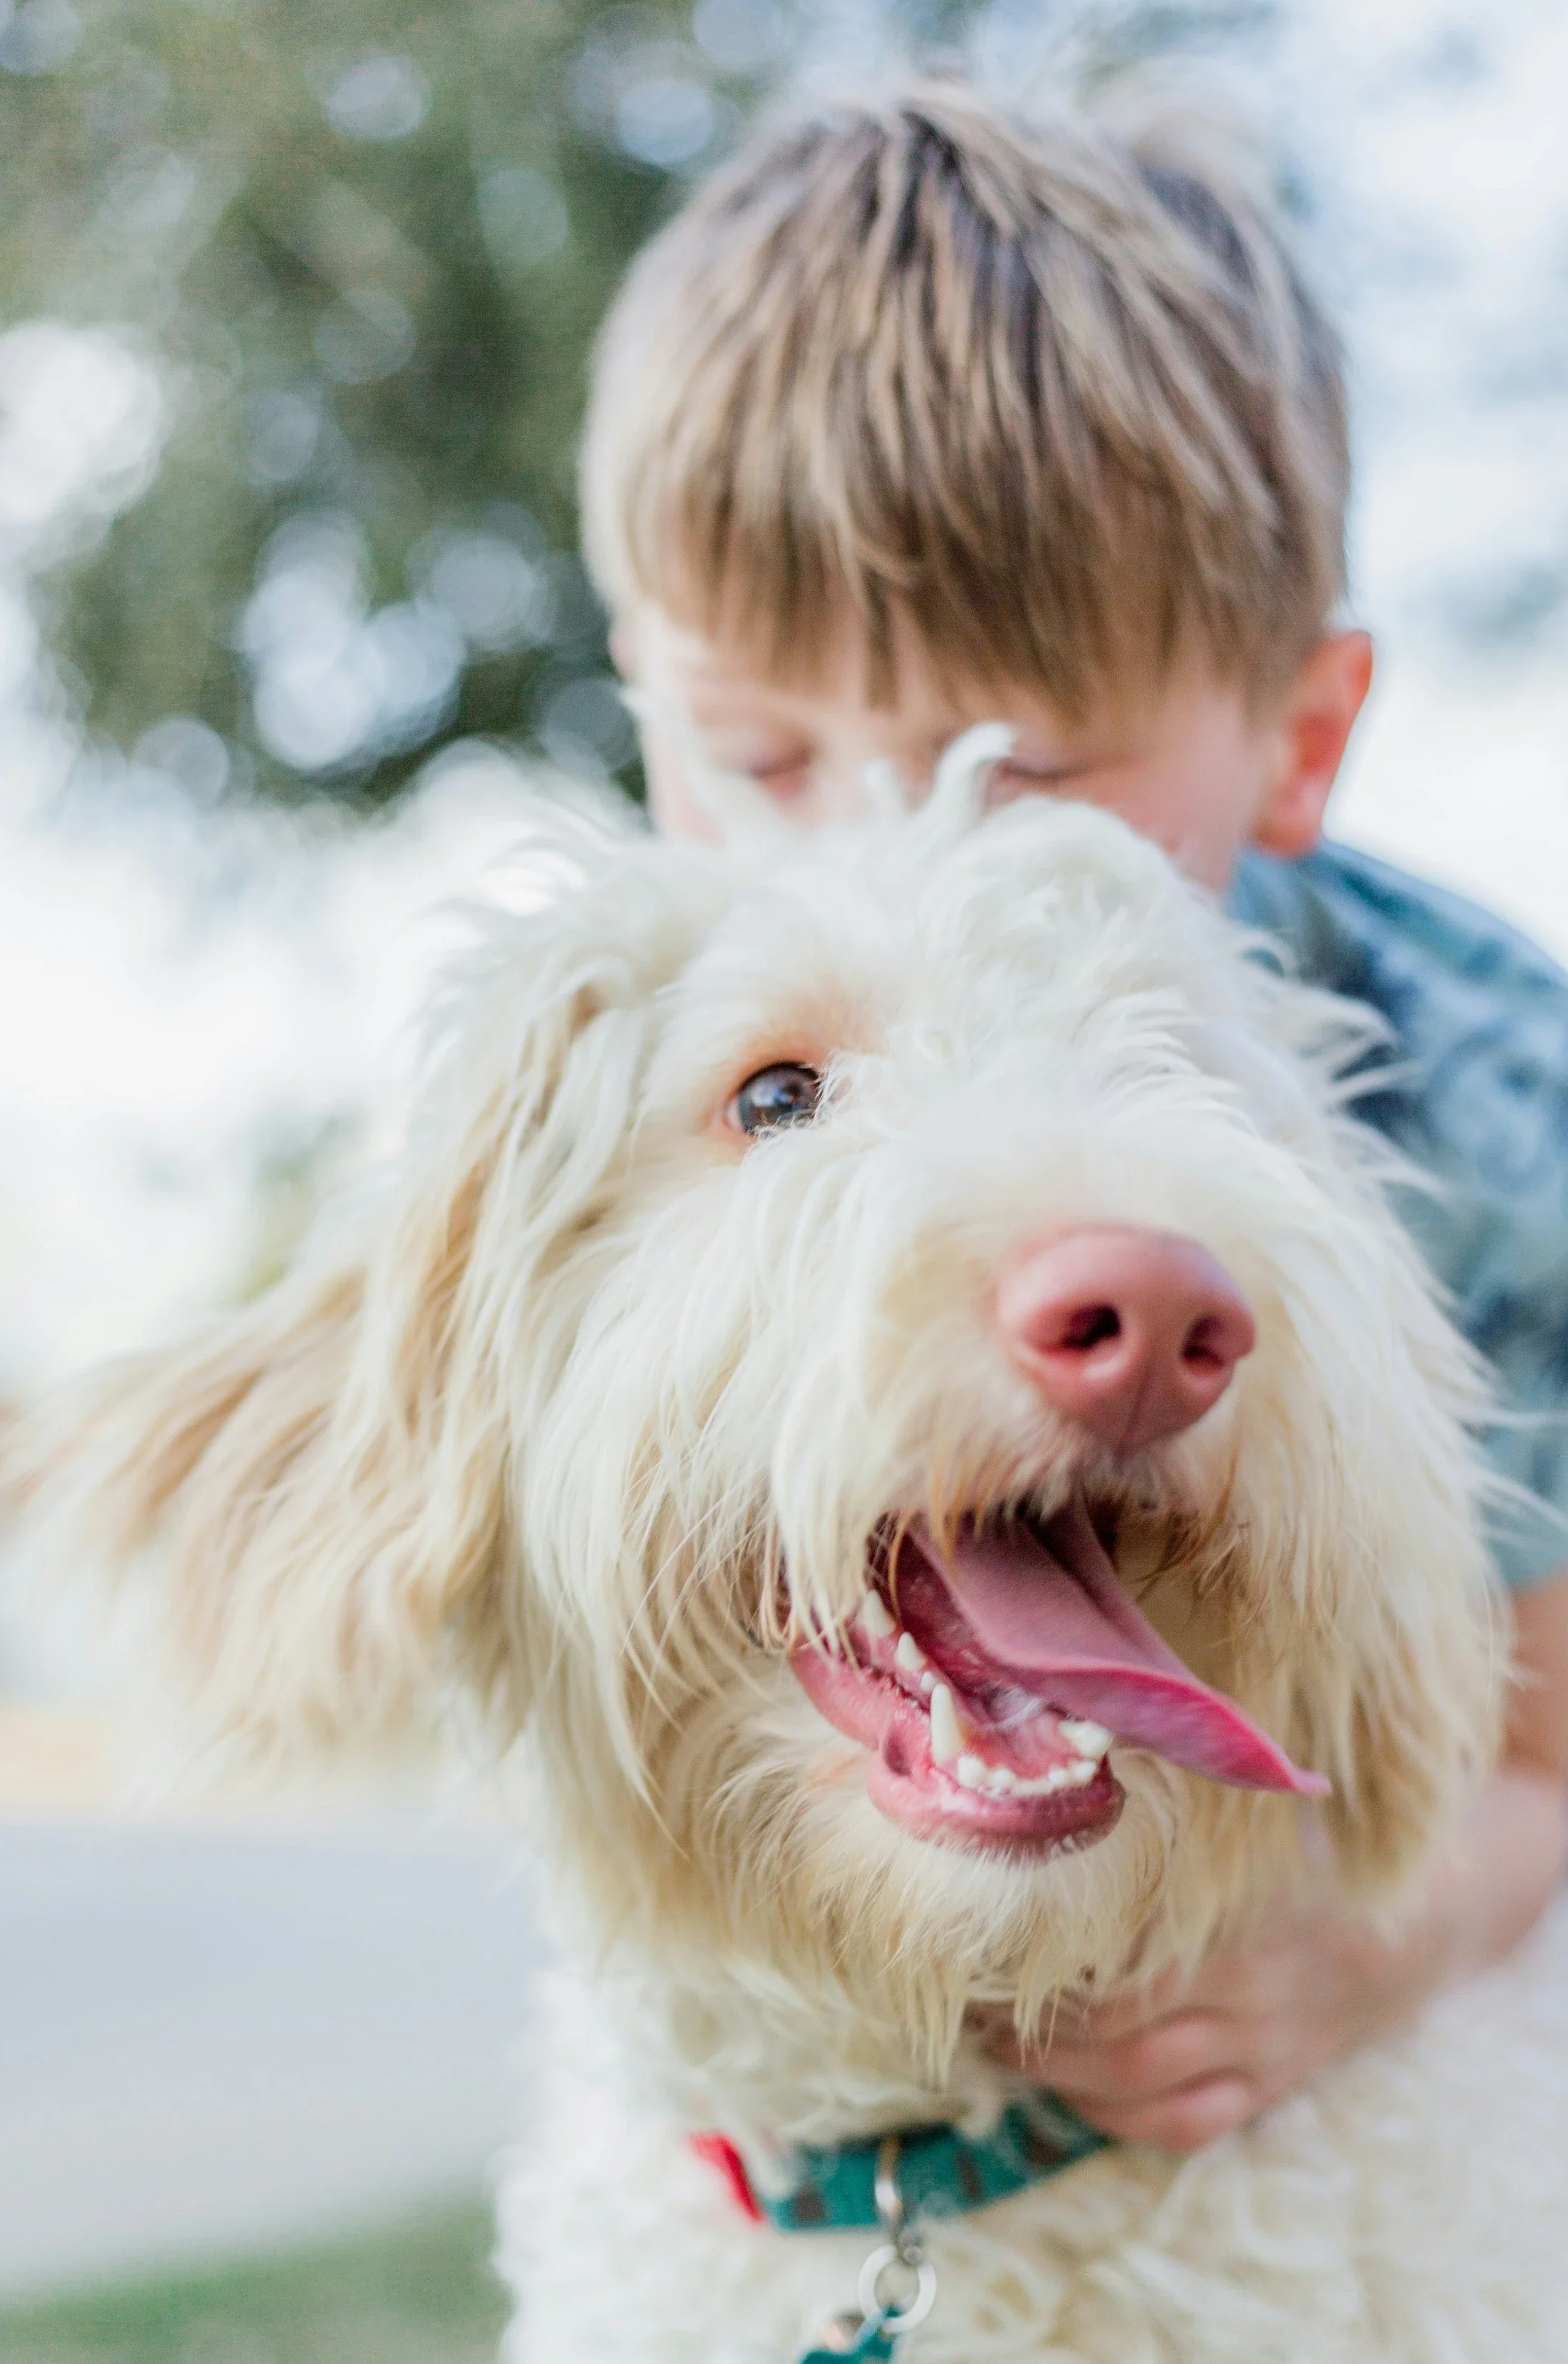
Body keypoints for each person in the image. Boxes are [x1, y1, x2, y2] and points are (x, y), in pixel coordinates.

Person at [576, 78, 1568, 2153]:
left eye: (1023, 774)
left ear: (1300, 740)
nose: (885, 842)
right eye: (758, 753)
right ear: (644, 696)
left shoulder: (1493, 1107)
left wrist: (1385, 1940)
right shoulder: (646, 1050)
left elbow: (1549, 1736)